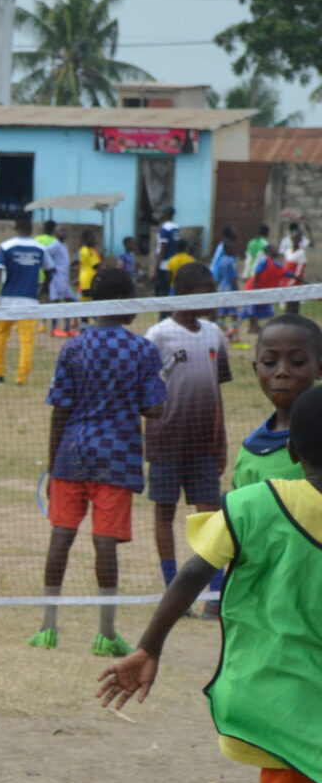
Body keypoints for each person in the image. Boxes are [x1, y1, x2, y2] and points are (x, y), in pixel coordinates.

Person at [99, 386, 322, 783]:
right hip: (308, 714)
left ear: (293, 449)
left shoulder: (254, 503)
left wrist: (148, 648)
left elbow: (191, 575)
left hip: (266, 702)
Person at [32, 265, 166, 655]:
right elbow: (154, 409)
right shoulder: (143, 349)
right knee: (104, 544)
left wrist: (54, 459)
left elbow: (60, 409)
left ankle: (47, 627)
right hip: (117, 459)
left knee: (61, 537)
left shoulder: (73, 346)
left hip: (71, 455)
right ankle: (106, 634)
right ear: (127, 305)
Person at [144, 262, 232, 612]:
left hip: (203, 444)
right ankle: (173, 591)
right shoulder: (158, 335)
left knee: (209, 516)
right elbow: (147, 393)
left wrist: (221, 439)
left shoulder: (214, 334)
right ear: (182, 294)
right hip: (166, 440)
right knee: (164, 513)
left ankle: (214, 594)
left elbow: (217, 390)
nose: (212, 299)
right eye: (204, 292)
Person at [237, 314, 322, 496]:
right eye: (270, 363)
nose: (282, 371)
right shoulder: (251, 452)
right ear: (256, 369)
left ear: (319, 368)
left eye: (297, 362)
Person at [0, 214, 47, 385]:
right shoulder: (40, 248)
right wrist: (41, 292)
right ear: (31, 230)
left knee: (1, 336)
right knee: (27, 340)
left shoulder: (6, 246)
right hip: (30, 300)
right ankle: (21, 378)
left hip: (7, 299)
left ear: (15, 228)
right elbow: (50, 271)